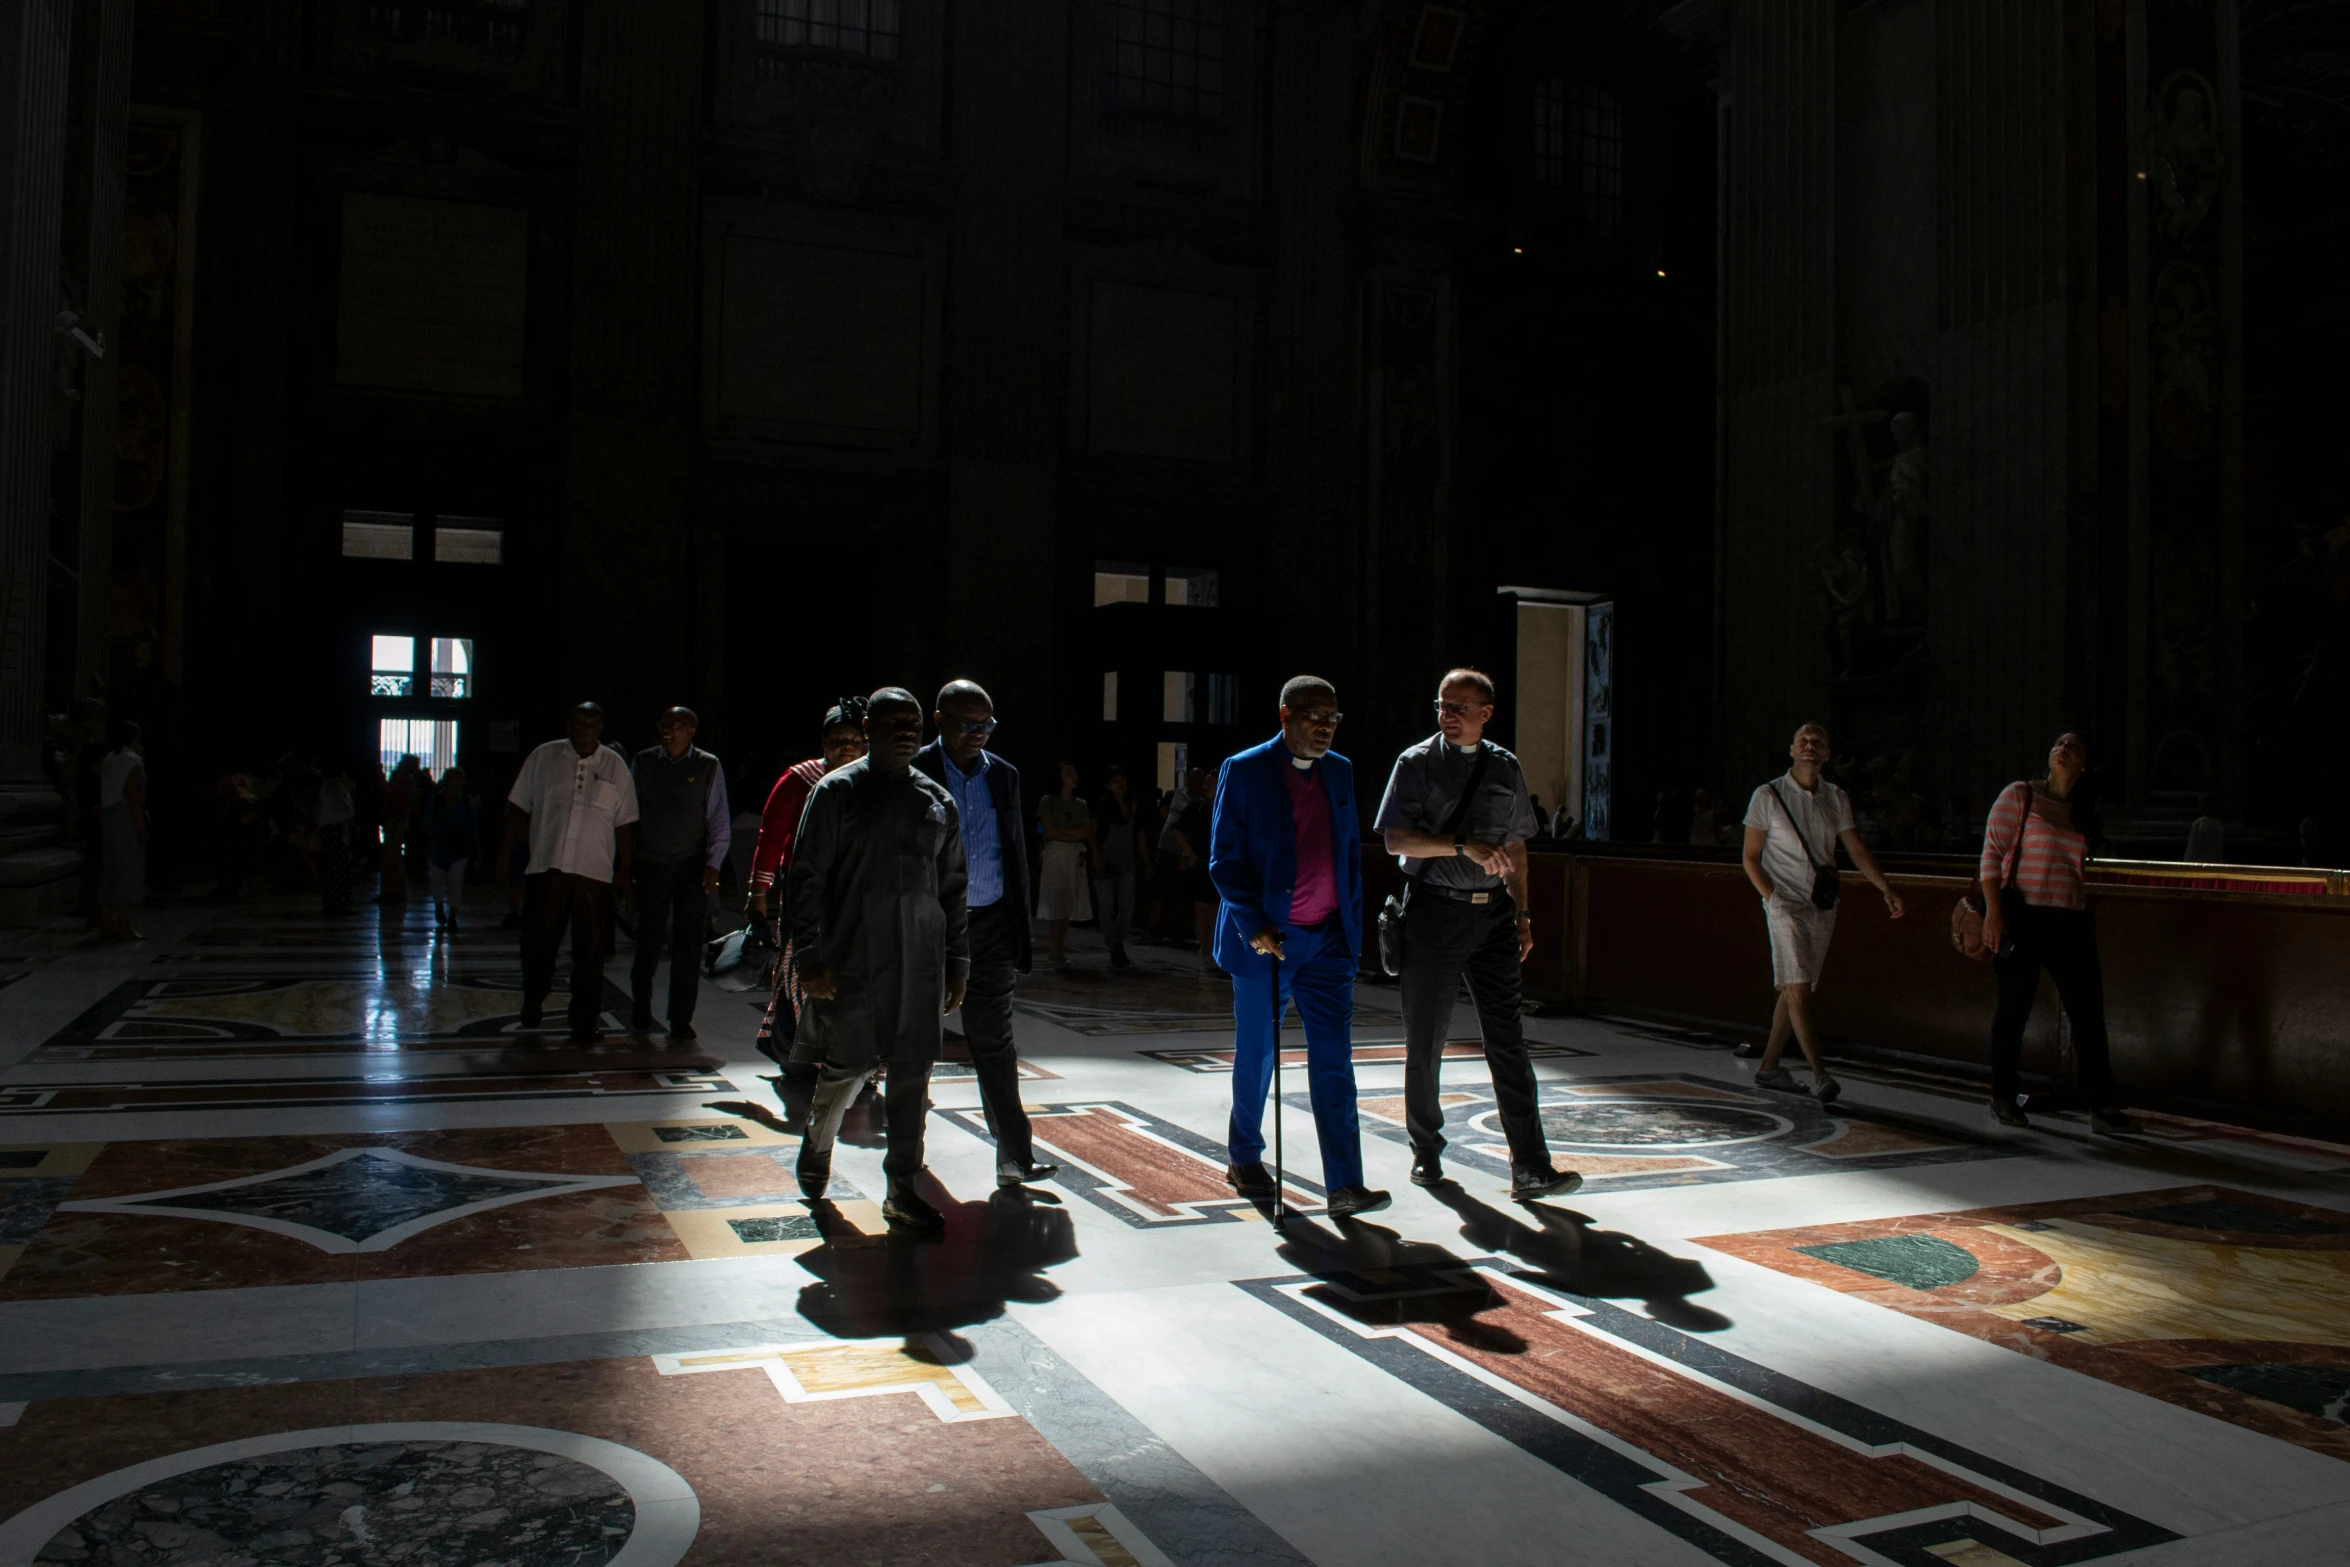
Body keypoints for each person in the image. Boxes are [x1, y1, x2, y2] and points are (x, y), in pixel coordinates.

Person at [1375, 669, 1581, 1201]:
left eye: (1460, 707)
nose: (1448, 715)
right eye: (1442, 705)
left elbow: (1516, 850)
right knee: (1427, 1039)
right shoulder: (1415, 763)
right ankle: (1425, 1151)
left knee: (1508, 1039)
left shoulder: (1505, 767)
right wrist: (1460, 844)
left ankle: (1531, 1166)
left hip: (1492, 917)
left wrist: (1524, 914)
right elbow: (1397, 840)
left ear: (1486, 713)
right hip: (1434, 913)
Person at [787, 688, 970, 1235]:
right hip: (854, 960)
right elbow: (806, 878)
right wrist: (809, 954)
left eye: (911, 723)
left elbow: (954, 887)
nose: (903, 732)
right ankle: (818, 1146)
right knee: (848, 1068)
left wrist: (958, 960)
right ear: (868, 727)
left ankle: (902, 1189)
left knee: (912, 1075)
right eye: (891, 722)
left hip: (920, 964)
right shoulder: (836, 792)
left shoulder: (936, 799)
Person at [1209, 675, 1389, 1219]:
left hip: (1329, 939)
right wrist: (1253, 922)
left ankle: (1345, 1184)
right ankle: (1244, 1157)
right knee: (1258, 1055)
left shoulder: (1340, 772)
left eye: (1334, 718)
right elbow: (1223, 859)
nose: (1325, 727)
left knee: (1335, 1059)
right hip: (1269, 942)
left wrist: (1352, 930)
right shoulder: (1243, 770)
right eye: (1314, 716)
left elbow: (1349, 855)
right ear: (1285, 715)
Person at [914, 680, 1056, 1188]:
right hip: (930, 925)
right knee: (916, 1041)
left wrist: (1021, 925)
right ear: (939, 720)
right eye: (967, 724)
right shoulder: (915, 772)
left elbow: (1014, 852)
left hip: (991, 922)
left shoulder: (1006, 776)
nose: (979, 734)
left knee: (995, 1041)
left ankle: (1015, 1155)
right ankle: (907, 1156)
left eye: (987, 725)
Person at [1980, 733, 2138, 1134]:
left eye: (2074, 746)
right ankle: (2003, 1096)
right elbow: (1991, 855)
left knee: (2087, 1012)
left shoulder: (2081, 812)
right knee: (2014, 1009)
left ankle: (2101, 1105)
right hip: (2023, 915)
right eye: (2057, 743)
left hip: (2070, 918)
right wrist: (1993, 914)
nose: (2063, 747)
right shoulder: (2020, 795)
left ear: (2083, 766)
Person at [1738, 722, 1905, 1102]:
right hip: (1783, 904)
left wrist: (1885, 888)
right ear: (1792, 749)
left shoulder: (1835, 797)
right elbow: (1749, 857)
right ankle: (1819, 1073)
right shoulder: (1768, 795)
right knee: (1798, 988)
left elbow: (1855, 847)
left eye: (1818, 742)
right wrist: (1771, 896)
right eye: (1803, 740)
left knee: (1796, 986)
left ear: (1827, 753)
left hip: (1821, 904)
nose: (1810, 746)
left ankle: (1768, 1067)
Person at [500, 703, 639, 1043]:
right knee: (537, 943)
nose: (583, 727)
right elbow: (518, 807)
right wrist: (503, 854)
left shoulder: (615, 766)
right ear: (569, 723)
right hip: (548, 868)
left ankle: (584, 1020)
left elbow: (625, 824)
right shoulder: (544, 757)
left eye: (590, 722)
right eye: (577, 720)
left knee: (590, 951)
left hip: (593, 873)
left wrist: (624, 872)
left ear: (601, 727)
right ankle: (533, 999)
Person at [749, 701, 871, 1063]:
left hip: (856, 893)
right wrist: (758, 892)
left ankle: (850, 1057)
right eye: (838, 739)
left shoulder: (877, 781)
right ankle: (799, 1053)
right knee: (800, 970)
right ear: (824, 742)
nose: (846, 746)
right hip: (806, 891)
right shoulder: (799, 780)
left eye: (854, 739)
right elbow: (771, 837)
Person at [629, 706, 731, 1041]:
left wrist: (714, 863)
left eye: (675, 725)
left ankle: (680, 1017)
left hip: (692, 866)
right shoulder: (643, 762)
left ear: (691, 731)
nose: (667, 730)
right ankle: (640, 1007)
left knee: (688, 946)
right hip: (651, 862)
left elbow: (718, 818)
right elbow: (629, 814)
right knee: (648, 940)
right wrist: (626, 863)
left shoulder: (707, 765)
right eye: (663, 724)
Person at [1035, 761, 1093, 968]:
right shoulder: (1049, 801)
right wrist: (1070, 833)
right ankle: (1055, 947)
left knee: (1068, 899)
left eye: (1074, 772)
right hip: (1055, 853)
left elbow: (1086, 832)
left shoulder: (1081, 804)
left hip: (1073, 854)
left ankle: (1060, 945)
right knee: (1055, 898)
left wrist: (1065, 832)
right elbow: (1050, 831)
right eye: (1068, 773)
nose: (1073, 776)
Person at [97, 722, 148, 942]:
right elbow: (133, 795)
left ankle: (108, 921)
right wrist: (141, 826)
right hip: (124, 815)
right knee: (127, 869)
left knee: (110, 869)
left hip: (107, 816)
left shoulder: (109, 759)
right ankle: (125, 923)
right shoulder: (132, 761)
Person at [1092, 765, 1141, 968]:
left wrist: (1144, 861)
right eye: (1115, 780)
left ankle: (1118, 940)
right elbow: (1092, 833)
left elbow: (1139, 833)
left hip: (1127, 860)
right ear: (1108, 785)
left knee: (1127, 905)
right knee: (1106, 906)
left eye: (1122, 779)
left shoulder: (1132, 804)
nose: (1120, 784)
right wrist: (1097, 859)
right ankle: (1113, 945)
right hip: (1106, 858)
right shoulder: (1102, 805)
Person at [425, 767, 479, 927]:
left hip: (459, 848)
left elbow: (472, 826)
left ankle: (453, 916)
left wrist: (476, 846)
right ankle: (439, 906)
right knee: (438, 880)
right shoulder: (436, 801)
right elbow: (428, 823)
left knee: (456, 880)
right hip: (439, 847)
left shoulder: (465, 802)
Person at [1177, 766, 1217, 972]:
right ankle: (1205, 950)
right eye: (1206, 783)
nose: (1207, 786)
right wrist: (1189, 853)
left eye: (1212, 782)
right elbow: (1178, 832)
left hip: (1219, 866)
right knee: (1201, 908)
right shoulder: (1195, 808)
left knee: (1215, 910)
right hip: (1200, 864)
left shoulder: (1226, 808)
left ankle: (1214, 950)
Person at [378, 755, 420, 903]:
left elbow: (392, 797)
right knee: (394, 856)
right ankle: (395, 891)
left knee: (392, 855)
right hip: (400, 820)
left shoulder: (403, 781)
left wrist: (382, 781)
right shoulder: (409, 781)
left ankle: (392, 891)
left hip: (395, 821)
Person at [317, 761, 356, 915]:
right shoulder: (337, 789)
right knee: (339, 868)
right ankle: (340, 903)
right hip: (336, 829)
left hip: (327, 829)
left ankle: (331, 903)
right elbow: (344, 810)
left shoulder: (326, 788)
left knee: (330, 868)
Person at [2183, 794, 2225, 864]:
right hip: (2214, 862)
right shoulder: (2218, 824)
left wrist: (2187, 863)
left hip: (2199, 863)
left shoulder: (2199, 824)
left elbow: (2193, 847)